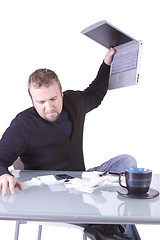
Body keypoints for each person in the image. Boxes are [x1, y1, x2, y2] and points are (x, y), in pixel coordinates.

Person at [0, 48, 140, 239]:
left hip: (82, 181)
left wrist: (107, 63)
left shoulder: (74, 102)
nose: (48, 107)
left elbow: (96, 93)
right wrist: (3, 174)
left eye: (53, 99)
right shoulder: (23, 125)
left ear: (62, 93)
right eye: (40, 102)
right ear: (31, 100)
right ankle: (106, 224)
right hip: (50, 197)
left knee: (127, 162)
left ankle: (106, 222)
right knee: (111, 215)